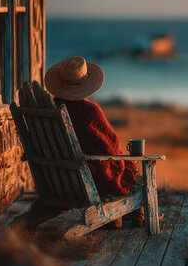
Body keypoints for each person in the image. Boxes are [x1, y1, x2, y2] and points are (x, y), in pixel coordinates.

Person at [45, 56, 143, 228]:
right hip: (90, 181)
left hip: (58, 181)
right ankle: (135, 217)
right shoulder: (89, 111)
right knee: (131, 171)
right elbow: (108, 147)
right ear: (86, 83)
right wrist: (124, 160)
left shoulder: (50, 110)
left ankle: (118, 218)